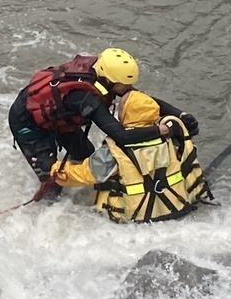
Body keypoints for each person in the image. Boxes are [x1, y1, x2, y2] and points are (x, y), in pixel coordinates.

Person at [8, 48, 198, 197]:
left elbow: (140, 97)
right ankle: (51, 214)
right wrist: (163, 130)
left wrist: (179, 115)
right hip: (28, 122)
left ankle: (85, 189)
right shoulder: (84, 98)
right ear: (108, 80)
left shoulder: (105, 75)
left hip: (61, 118)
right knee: (52, 181)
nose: (127, 90)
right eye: (123, 85)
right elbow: (121, 136)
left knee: (85, 154)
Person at [51, 88, 214, 222]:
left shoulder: (116, 149)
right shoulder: (171, 139)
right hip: (175, 210)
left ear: (126, 113)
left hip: (132, 220)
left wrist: (54, 170)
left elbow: (84, 175)